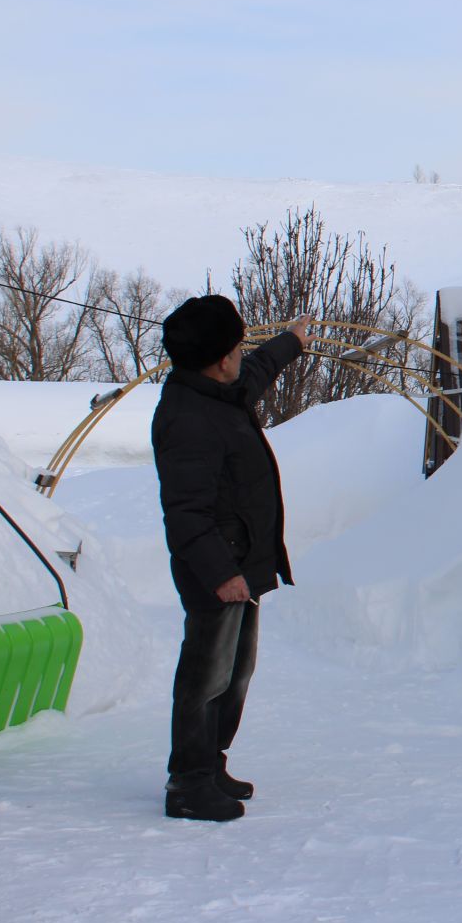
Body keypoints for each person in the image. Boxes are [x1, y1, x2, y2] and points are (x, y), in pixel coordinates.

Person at [153, 296, 311, 822]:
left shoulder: (217, 391)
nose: (244, 352)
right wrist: (221, 574)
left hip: (242, 564)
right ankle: (188, 782)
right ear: (221, 358)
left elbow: (259, 369)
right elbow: (186, 513)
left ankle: (210, 762)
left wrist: (291, 340)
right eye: (237, 345)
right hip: (218, 571)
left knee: (235, 673)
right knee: (205, 677)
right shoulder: (187, 418)